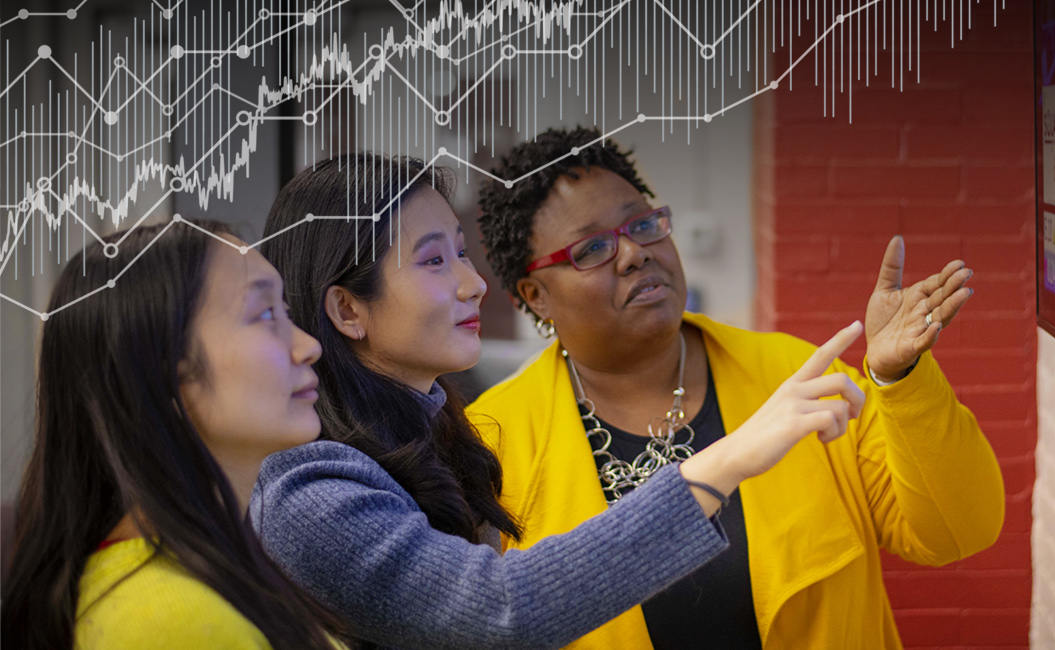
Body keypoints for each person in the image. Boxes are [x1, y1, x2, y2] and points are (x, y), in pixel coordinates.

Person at [252, 154, 868, 650]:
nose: (472, 283)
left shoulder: (443, 434)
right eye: (434, 260)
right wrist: (725, 461)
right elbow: (502, 611)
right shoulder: (309, 489)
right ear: (348, 309)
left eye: (462, 252)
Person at [470, 126, 1006, 650]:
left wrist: (899, 379)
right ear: (535, 294)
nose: (634, 253)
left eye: (644, 224)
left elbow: (959, 531)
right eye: (591, 249)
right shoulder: (493, 443)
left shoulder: (796, 380)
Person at [0, 220, 343, 650]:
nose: (308, 346)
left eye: (286, 312)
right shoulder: (171, 622)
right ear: (163, 372)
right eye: (265, 314)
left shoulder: (212, 568)